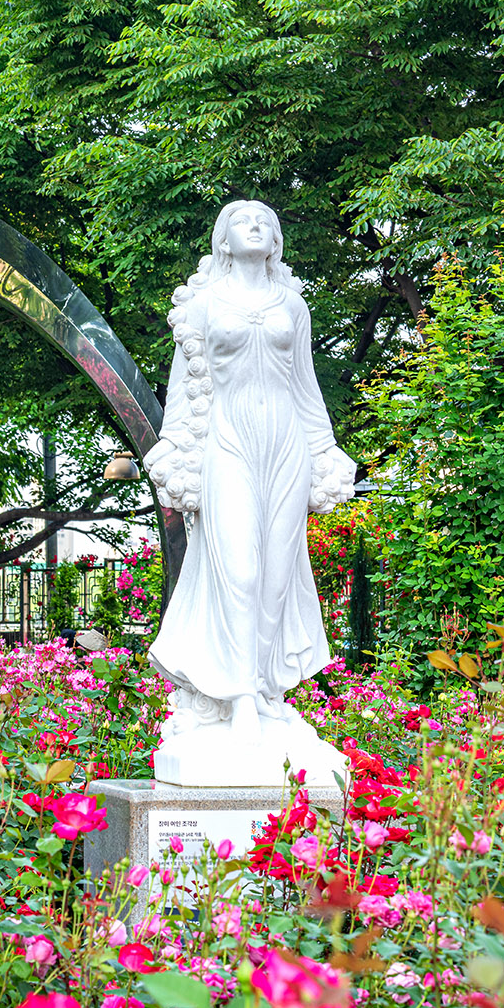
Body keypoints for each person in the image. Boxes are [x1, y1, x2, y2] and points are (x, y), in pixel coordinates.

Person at [143, 200, 354, 782]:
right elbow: (185, 386)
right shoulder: (205, 304)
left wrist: (324, 449)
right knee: (238, 568)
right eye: (242, 220)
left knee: (276, 574)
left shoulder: (291, 304)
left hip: (285, 443)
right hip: (227, 442)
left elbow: (306, 385)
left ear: (276, 240)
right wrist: (175, 450)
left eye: (264, 220)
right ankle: (237, 697)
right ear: (224, 240)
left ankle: (263, 689)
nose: (255, 224)